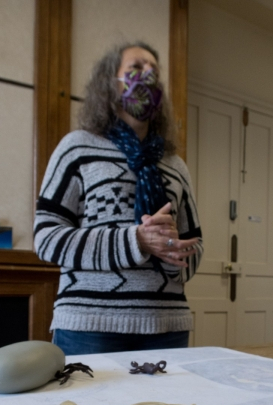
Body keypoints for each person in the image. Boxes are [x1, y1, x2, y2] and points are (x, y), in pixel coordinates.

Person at [34, 42, 203, 355]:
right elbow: (46, 238)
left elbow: (195, 244)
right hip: (90, 327)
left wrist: (171, 254)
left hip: (168, 327)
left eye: (154, 73)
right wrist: (135, 242)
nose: (148, 78)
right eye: (136, 69)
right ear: (109, 83)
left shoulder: (176, 165)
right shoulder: (76, 148)